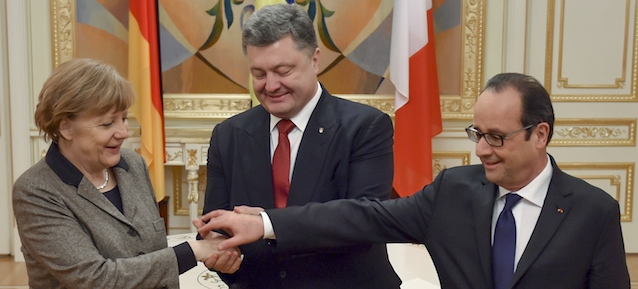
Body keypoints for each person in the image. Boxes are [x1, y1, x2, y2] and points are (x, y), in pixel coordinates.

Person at [198, 73, 631, 289]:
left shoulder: (592, 211)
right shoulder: (454, 192)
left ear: (540, 134)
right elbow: (360, 217)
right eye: (477, 135)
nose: (481, 150)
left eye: (497, 138)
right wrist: (267, 224)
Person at [199, 3, 401, 289]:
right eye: (258, 74)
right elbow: (216, 225)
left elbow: (363, 222)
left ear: (315, 60)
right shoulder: (229, 134)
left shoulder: (365, 127)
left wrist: (267, 224)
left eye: (283, 71)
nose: (270, 85)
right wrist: (218, 250)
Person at [12, 58, 239, 289]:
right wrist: (193, 251)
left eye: (123, 118)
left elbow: (152, 254)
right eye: (107, 123)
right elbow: (95, 279)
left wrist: (216, 249)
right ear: (66, 127)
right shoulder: (36, 190)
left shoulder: (133, 165)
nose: (123, 132)